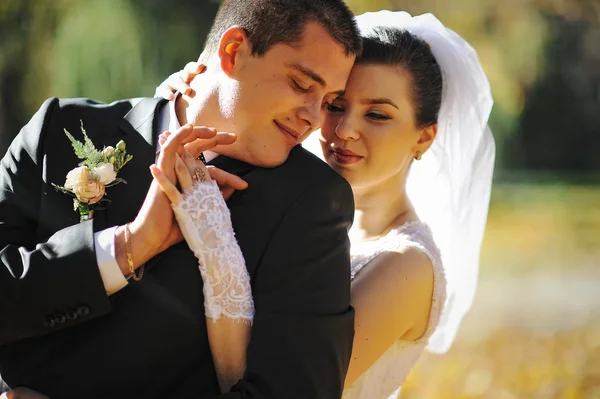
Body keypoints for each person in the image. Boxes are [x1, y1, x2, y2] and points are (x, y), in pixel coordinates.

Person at [0, 1, 362, 398]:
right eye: (301, 84)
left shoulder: (312, 203)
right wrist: (128, 246)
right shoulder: (60, 128)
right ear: (234, 51)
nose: (314, 116)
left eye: (328, 101)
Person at [157, 10, 495, 399]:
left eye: (377, 114)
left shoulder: (407, 266)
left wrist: (213, 239)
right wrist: (185, 105)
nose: (345, 129)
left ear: (424, 138)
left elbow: (287, 381)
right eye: (335, 105)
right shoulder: (295, 209)